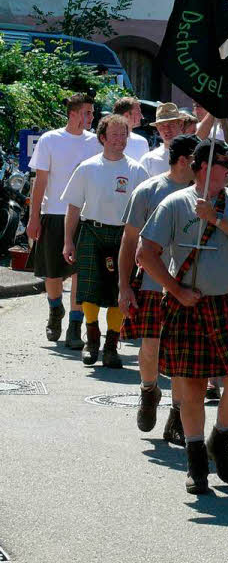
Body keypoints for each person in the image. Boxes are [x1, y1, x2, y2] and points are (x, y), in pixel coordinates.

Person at [137, 139, 228, 495]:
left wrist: (218, 219)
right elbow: (146, 254)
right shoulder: (174, 204)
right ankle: (196, 461)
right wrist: (176, 291)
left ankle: (220, 439)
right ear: (204, 166)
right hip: (186, 304)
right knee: (190, 383)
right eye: (225, 163)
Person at [118, 133, 198, 442]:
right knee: (149, 349)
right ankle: (149, 391)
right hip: (151, 284)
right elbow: (129, 241)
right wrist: (124, 287)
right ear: (183, 161)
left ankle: (177, 415)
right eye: (199, 161)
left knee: (181, 355)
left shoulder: (205, 196)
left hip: (190, 286)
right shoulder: (148, 191)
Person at [61, 113, 150, 367]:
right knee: (88, 290)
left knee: (118, 291)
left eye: (123, 135)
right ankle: (91, 341)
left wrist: (142, 241)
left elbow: (146, 210)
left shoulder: (136, 170)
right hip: (92, 232)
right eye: (114, 135)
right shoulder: (87, 167)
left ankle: (111, 346)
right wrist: (68, 241)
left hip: (125, 235)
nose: (119, 140)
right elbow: (74, 207)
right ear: (102, 138)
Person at [28, 93, 101, 346]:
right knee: (52, 273)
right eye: (87, 113)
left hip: (85, 216)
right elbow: (40, 182)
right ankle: (55, 309)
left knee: (80, 272)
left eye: (92, 113)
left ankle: (74, 326)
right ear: (73, 114)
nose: (91, 117)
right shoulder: (50, 140)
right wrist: (33, 218)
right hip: (54, 214)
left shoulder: (95, 143)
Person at [139, 102, 185, 178]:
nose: (166, 129)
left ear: (180, 125)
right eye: (162, 126)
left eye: (171, 124)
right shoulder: (149, 160)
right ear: (157, 128)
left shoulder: (192, 155)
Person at [112, 96, 151, 162]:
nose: (141, 116)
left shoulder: (142, 142)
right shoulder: (106, 141)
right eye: (138, 112)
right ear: (126, 116)